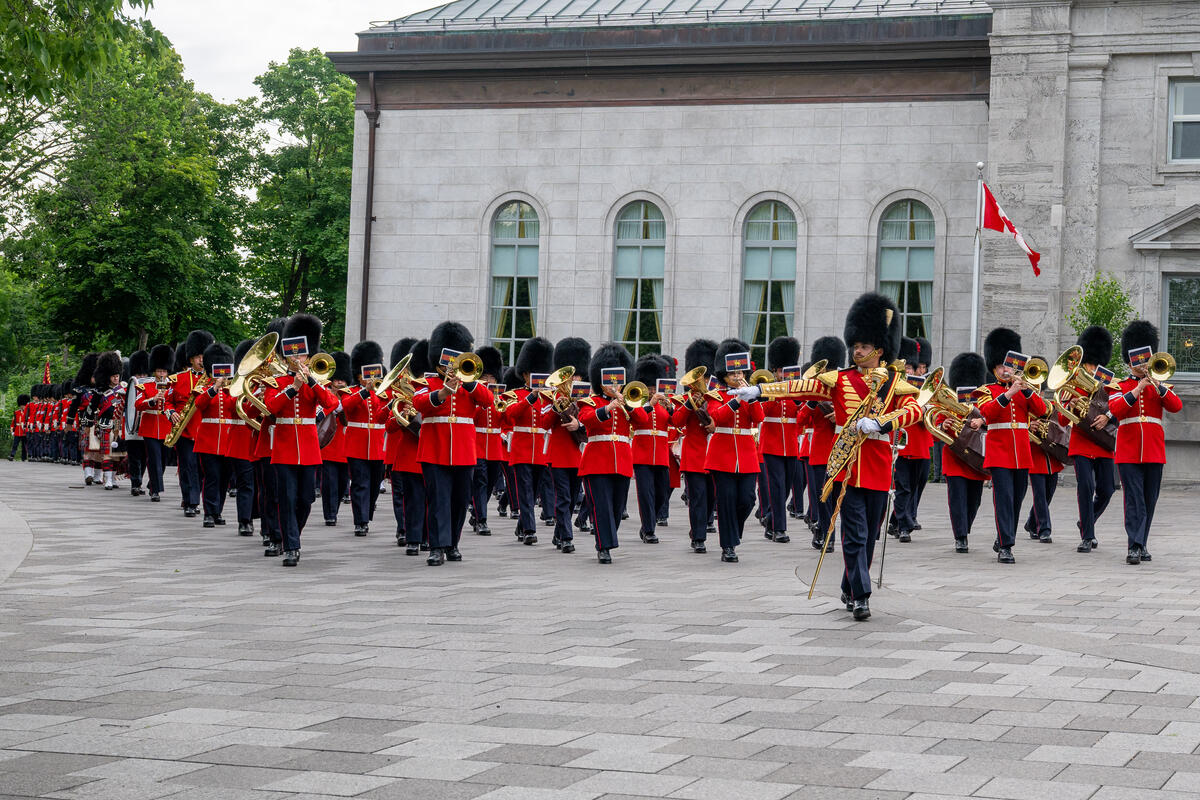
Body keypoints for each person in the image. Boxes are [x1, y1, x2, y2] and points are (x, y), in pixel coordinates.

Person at [737, 292, 921, 621]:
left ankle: (850, 585)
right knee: (855, 532)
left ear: (879, 349)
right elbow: (798, 387)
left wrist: (882, 422)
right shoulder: (839, 380)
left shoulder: (896, 384)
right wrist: (761, 390)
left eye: (864, 346)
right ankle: (862, 596)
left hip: (878, 468)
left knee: (871, 535)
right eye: (856, 345)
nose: (857, 350)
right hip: (844, 469)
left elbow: (914, 411)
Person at [411, 321, 494, 566]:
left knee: (459, 500)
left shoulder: (470, 384)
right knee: (438, 500)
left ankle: (453, 544)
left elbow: (488, 400)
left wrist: (468, 383)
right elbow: (419, 403)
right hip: (434, 449)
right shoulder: (426, 383)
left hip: (464, 450)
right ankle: (436, 547)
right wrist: (444, 393)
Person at [264, 314, 339, 567]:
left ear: (308, 356)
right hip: (284, 448)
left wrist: (310, 382)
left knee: (306, 499)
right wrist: (292, 388)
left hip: (308, 448)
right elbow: (272, 408)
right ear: (285, 359)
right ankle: (292, 546)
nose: (297, 360)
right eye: (292, 357)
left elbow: (332, 403)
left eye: (302, 356)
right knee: (286, 498)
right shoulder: (277, 382)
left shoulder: (314, 383)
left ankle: (291, 535)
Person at [1109, 320, 1183, 565]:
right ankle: (1134, 546)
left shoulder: (1160, 385)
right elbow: (1117, 409)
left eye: (1144, 360)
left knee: (1150, 500)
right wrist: (1138, 388)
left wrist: (1158, 385)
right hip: (1129, 452)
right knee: (1134, 500)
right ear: (1129, 361)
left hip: (1153, 450)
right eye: (1137, 361)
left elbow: (1175, 405)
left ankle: (1143, 542)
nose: (1141, 365)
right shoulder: (1120, 385)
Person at [976, 327, 1047, 565]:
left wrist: (1026, 392)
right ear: (994, 369)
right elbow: (987, 412)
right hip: (999, 453)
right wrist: (1009, 393)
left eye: (1007, 366)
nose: (1005, 370)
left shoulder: (1026, 389)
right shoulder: (987, 390)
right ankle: (1006, 546)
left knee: (1016, 501)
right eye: (1000, 367)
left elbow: (1043, 411)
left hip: (1021, 454)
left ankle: (1002, 536)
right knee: (1004, 500)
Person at [706, 338, 764, 563]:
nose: (738, 377)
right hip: (722, 454)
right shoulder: (715, 396)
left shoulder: (748, 393)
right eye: (733, 375)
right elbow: (717, 417)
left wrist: (751, 396)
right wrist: (738, 400)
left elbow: (758, 418)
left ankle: (733, 532)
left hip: (746, 454)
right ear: (724, 376)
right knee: (727, 500)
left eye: (741, 373)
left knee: (748, 499)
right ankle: (728, 545)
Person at [578, 343, 635, 564]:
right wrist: (609, 407)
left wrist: (627, 406)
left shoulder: (627, 401)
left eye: (617, 380)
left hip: (621, 460)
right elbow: (587, 420)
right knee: (601, 505)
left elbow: (641, 420)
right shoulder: (589, 401)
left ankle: (607, 538)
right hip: (596, 460)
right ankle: (604, 546)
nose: (613, 384)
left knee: (618, 505)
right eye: (609, 380)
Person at [1064, 325, 1117, 554]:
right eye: (1089, 364)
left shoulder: (1109, 382)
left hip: (1103, 443)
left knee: (1107, 489)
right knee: (1085, 487)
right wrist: (1070, 404)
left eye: (1094, 364)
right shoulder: (1073, 383)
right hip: (1082, 442)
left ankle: (1087, 521)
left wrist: (1107, 415)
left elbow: (1118, 409)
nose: (1091, 368)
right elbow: (1061, 415)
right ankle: (1088, 536)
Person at [500, 336, 554, 545]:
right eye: (532, 373)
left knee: (534, 491)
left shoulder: (550, 397)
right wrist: (531, 397)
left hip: (541, 449)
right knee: (524, 490)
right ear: (524, 374)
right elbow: (510, 415)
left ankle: (522, 525)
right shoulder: (515, 395)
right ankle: (530, 530)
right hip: (521, 448)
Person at [540, 337, 590, 553]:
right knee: (564, 497)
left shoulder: (586, 398)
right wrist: (556, 406)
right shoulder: (552, 396)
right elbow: (544, 423)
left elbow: (590, 424)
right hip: (559, 454)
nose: (574, 379)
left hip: (577, 455)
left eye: (577, 375)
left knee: (571, 500)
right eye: (571, 375)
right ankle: (567, 537)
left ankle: (559, 533)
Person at [940, 352, 990, 553]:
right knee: (957, 500)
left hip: (976, 457)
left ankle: (964, 529)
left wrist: (982, 421)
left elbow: (993, 419)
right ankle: (960, 536)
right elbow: (935, 424)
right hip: (954, 457)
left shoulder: (984, 400)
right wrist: (943, 424)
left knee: (974, 501)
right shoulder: (948, 401)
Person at [671, 339, 717, 554]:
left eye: (707, 377)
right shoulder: (685, 399)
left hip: (714, 455)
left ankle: (703, 525)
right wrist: (690, 404)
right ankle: (698, 536)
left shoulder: (717, 398)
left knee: (711, 497)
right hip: (695, 455)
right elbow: (677, 422)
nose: (704, 381)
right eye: (701, 377)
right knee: (698, 498)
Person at [801, 337, 846, 552]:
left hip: (840, 449)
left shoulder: (844, 388)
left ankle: (824, 530)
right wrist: (811, 402)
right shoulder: (815, 390)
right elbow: (800, 420)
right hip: (820, 451)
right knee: (822, 496)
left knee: (838, 496)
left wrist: (839, 415)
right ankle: (827, 535)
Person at [758, 336, 801, 545]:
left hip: (791, 444)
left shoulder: (798, 391)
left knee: (785, 487)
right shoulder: (767, 389)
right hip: (772, 443)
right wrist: (771, 396)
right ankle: (779, 529)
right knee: (776, 486)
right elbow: (760, 413)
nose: (783, 374)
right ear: (775, 372)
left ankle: (769, 517)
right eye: (780, 370)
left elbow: (801, 418)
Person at [344, 340, 390, 537]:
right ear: (358, 375)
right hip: (357, 444)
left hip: (377, 444)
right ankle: (360, 521)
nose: (370, 378)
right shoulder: (352, 392)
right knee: (360, 483)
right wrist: (365, 391)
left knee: (373, 485)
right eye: (366, 375)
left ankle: (367, 513)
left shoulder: (382, 394)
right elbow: (347, 406)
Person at [167, 330, 215, 517]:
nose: (201, 360)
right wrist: (170, 412)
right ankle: (190, 501)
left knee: (205, 470)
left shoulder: (214, 379)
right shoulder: (178, 379)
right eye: (197, 357)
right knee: (188, 468)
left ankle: (204, 500)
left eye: (203, 356)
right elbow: (168, 401)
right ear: (191, 358)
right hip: (186, 431)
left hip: (206, 431)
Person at [891, 337, 933, 543]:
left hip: (922, 444)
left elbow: (934, 414)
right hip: (901, 442)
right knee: (904, 487)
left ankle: (897, 520)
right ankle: (904, 525)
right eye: (905, 367)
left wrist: (926, 409)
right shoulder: (893, 387)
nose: (908, 370)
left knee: (916, 485)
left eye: (911, 367)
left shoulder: (924, 388)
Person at [193, 341, 237, 527]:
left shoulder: (233, 389)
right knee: (212, 477)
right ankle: (209, 513)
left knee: (224, 479)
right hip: (208, 441)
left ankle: (217, 511)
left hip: (228, 440)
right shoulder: (203, 388)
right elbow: (199, 404)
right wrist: (214, 388)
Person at [384, 337, 417, 542]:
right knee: (399, 493)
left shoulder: (418, 389)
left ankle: (413, 528)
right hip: (395, 450)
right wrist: (394, 406)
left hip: (414, 449)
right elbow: (384, 420)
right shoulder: (390, 392)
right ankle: (403, 528)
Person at [135, 345, 175, 503]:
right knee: (154, 458)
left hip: (166, 426)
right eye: (159, 371)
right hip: (150, 427)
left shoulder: (172, 386)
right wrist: (152, 400)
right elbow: (138, 404)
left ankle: (153, 483)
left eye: (164, 371)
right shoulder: (145, 386)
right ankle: (155, 490)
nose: (161, 375)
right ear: (154, 371)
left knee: (164, 460)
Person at [320, 351, 352, 527]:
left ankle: (335, 508)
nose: (340, 382)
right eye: (337, 379)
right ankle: (330, 513)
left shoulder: (350, 397)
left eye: (343, 380)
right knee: (330, 482)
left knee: (341, 483)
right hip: (329, 444)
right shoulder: (325, 395)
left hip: (344, 445)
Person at [88, 352, 127, 490]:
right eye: (113, 376)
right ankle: (108, 479)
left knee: (117, 455)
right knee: (107, 454)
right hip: (105, 423)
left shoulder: (124, 388)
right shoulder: (100, 392)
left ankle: (113, 478)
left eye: (117, 375)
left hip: (119, 424)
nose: (116, 378)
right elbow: (91, 409)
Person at [125, 350, 150, 496]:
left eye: (144, 374)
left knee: (144, 457)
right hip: (131, 428)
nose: (141, 377)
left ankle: (139, 480)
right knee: (134, 457)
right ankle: (135, 483)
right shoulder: (127, 387)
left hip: (146, 426)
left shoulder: (152, 387)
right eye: (139, 374)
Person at [8, 393, 26, 462]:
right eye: (21, 405)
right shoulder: (16, 412)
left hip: (24, 431)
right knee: (15, 445)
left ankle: (23, 458)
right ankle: (12, 455)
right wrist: (12, 430)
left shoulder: (27, 412)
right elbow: (13, 422)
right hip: (17, 432)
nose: (22, 407)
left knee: (24, 446)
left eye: (23, 405)